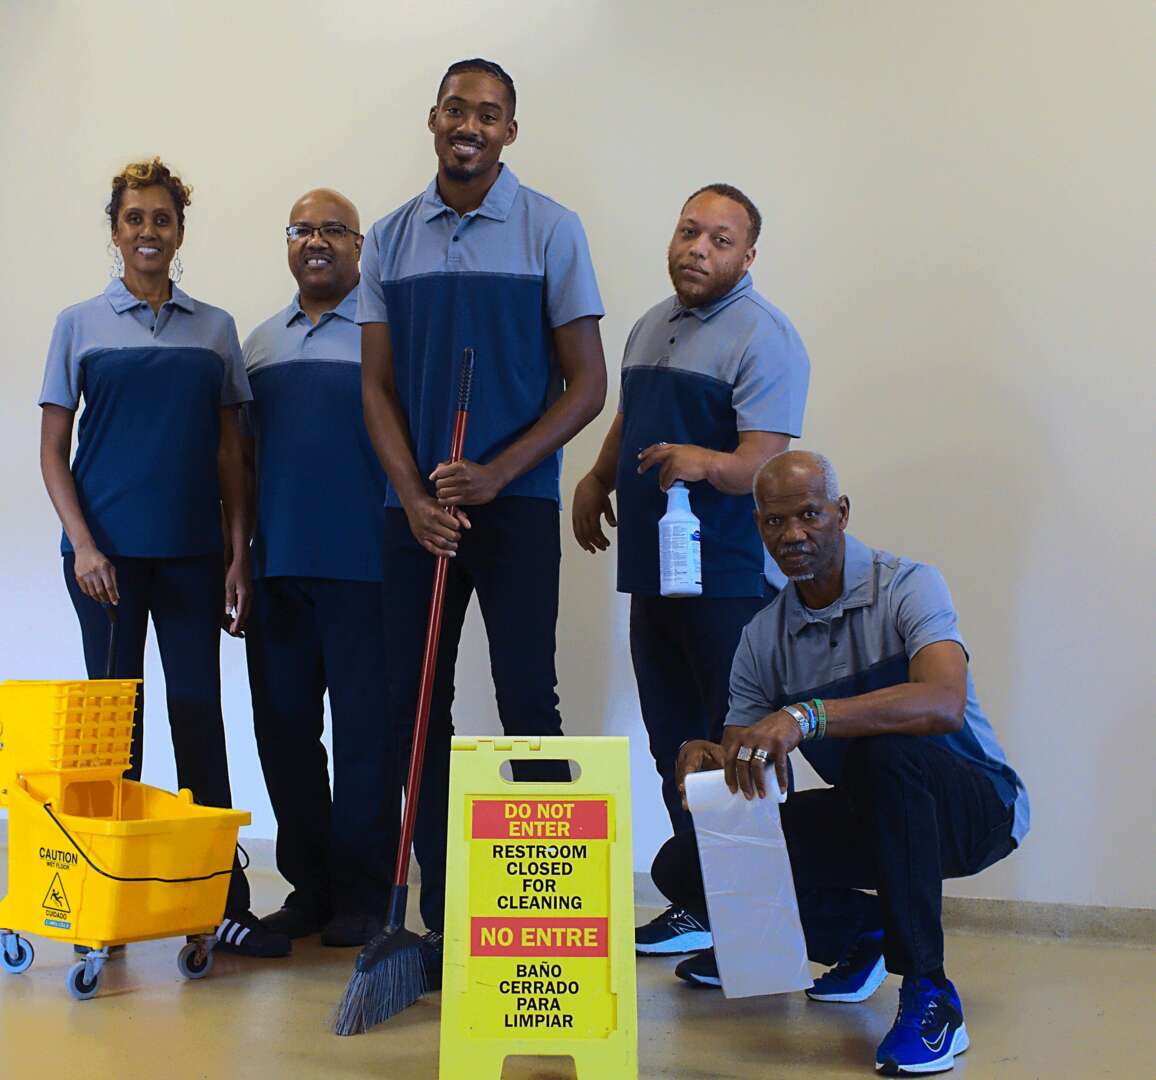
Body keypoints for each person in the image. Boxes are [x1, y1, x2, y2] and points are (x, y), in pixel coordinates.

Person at [664, 450, 1029, 1075]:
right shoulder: (762, 636)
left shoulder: (908, 585)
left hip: (976, 811)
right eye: (775, 521)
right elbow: (745, 764)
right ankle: (864, 934)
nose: (793, 534)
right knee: (687, 859)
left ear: (841, 512)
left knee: (886, 754)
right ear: (759, 527)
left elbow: (943, 702)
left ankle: (931, 993)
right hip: (877, 813)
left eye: (809, 514)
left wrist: (807, 716)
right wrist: (707, 758)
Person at [358, 59, 608, 951]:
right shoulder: (389, 238)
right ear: (433, 118)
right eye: (457, 109)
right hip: (416, 513)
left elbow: (588, 386)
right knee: (414, 705)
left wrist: (499, 474)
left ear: (510, 131)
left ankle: (546, 914)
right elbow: (375, 387)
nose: (470, 125)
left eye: (489, 114)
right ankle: (439, 915)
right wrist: (410, 495)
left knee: (527, 700)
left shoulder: (551, 229)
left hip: (515, 505)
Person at [37, 157, 289, 958]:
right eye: (134, 218)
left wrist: (238, 554)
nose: (149, 231)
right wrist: (83, 544)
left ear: (180, 232)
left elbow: (232, 454)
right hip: (104, 565)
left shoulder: (214, 329)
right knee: (116, 733)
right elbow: (52, 453)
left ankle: (219, 901)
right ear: (115, 231)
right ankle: (106, 898)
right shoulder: (78, 324)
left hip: (191, 559)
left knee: (198, 717)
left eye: (162, 219)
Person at [572, 184, 809, 956]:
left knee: (735, 750)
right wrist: (597, 478)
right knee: (673, 744)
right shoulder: (649, 325)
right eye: (687, 232)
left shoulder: (765, 336)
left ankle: (758, 929)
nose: (697, 250)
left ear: (748, 255)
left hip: (730, 584)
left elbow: (766, 465)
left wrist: (705, 461)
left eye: (719, 240)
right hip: (655, 577)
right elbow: (627, 417)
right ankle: (702, 907)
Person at [240, 188, 395, 947]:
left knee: (366, 738)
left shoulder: (384, 333)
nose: (317, 241)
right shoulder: (260, 346)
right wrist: (239, 559)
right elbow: (240, 463)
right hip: (277, 571)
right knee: (285, 734)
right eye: (302, 228)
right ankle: (310, 889)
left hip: (368, 568)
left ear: (359, 246)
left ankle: (363, 896)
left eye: (334, 229)